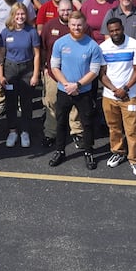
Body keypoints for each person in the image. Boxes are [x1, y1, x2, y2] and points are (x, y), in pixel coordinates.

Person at [48, 11, 104, 170]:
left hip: (83, 91)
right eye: (73, 25)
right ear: (69, 25)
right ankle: (60, 150)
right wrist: (67, 85)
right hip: (64, 90)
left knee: (87, 123)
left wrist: (77, 85)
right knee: (61, 122)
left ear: (85, 25)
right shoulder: (60, 43)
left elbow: (94, 71)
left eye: (79, 25)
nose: (76, 28)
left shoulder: (93, 45)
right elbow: (54, 67)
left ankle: (88, 152)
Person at [98, 16, 136, 176]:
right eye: (111, 31)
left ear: (122, 28)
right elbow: (102, 74)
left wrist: (125, 88)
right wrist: (115, 90)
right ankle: (118, 152)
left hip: (130, 95)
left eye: (117, 30)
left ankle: (135, 159)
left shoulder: (134, 45)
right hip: (109, 96)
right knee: (114, 128)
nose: (115, 33)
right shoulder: (103, 47)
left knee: (132, 130)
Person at [0, 3, 40, 149]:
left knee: (26, 103)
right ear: (13, 16)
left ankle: (25, 131)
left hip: (27, 69)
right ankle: (12, 131)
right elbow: (1, 55)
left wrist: (35, 74)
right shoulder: (5, 32)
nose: (20, 17)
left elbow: (37, 54)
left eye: (23, 14)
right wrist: (1, 75)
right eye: (17, 14)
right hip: (10, 69)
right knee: (11, 102)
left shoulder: (31, 32)